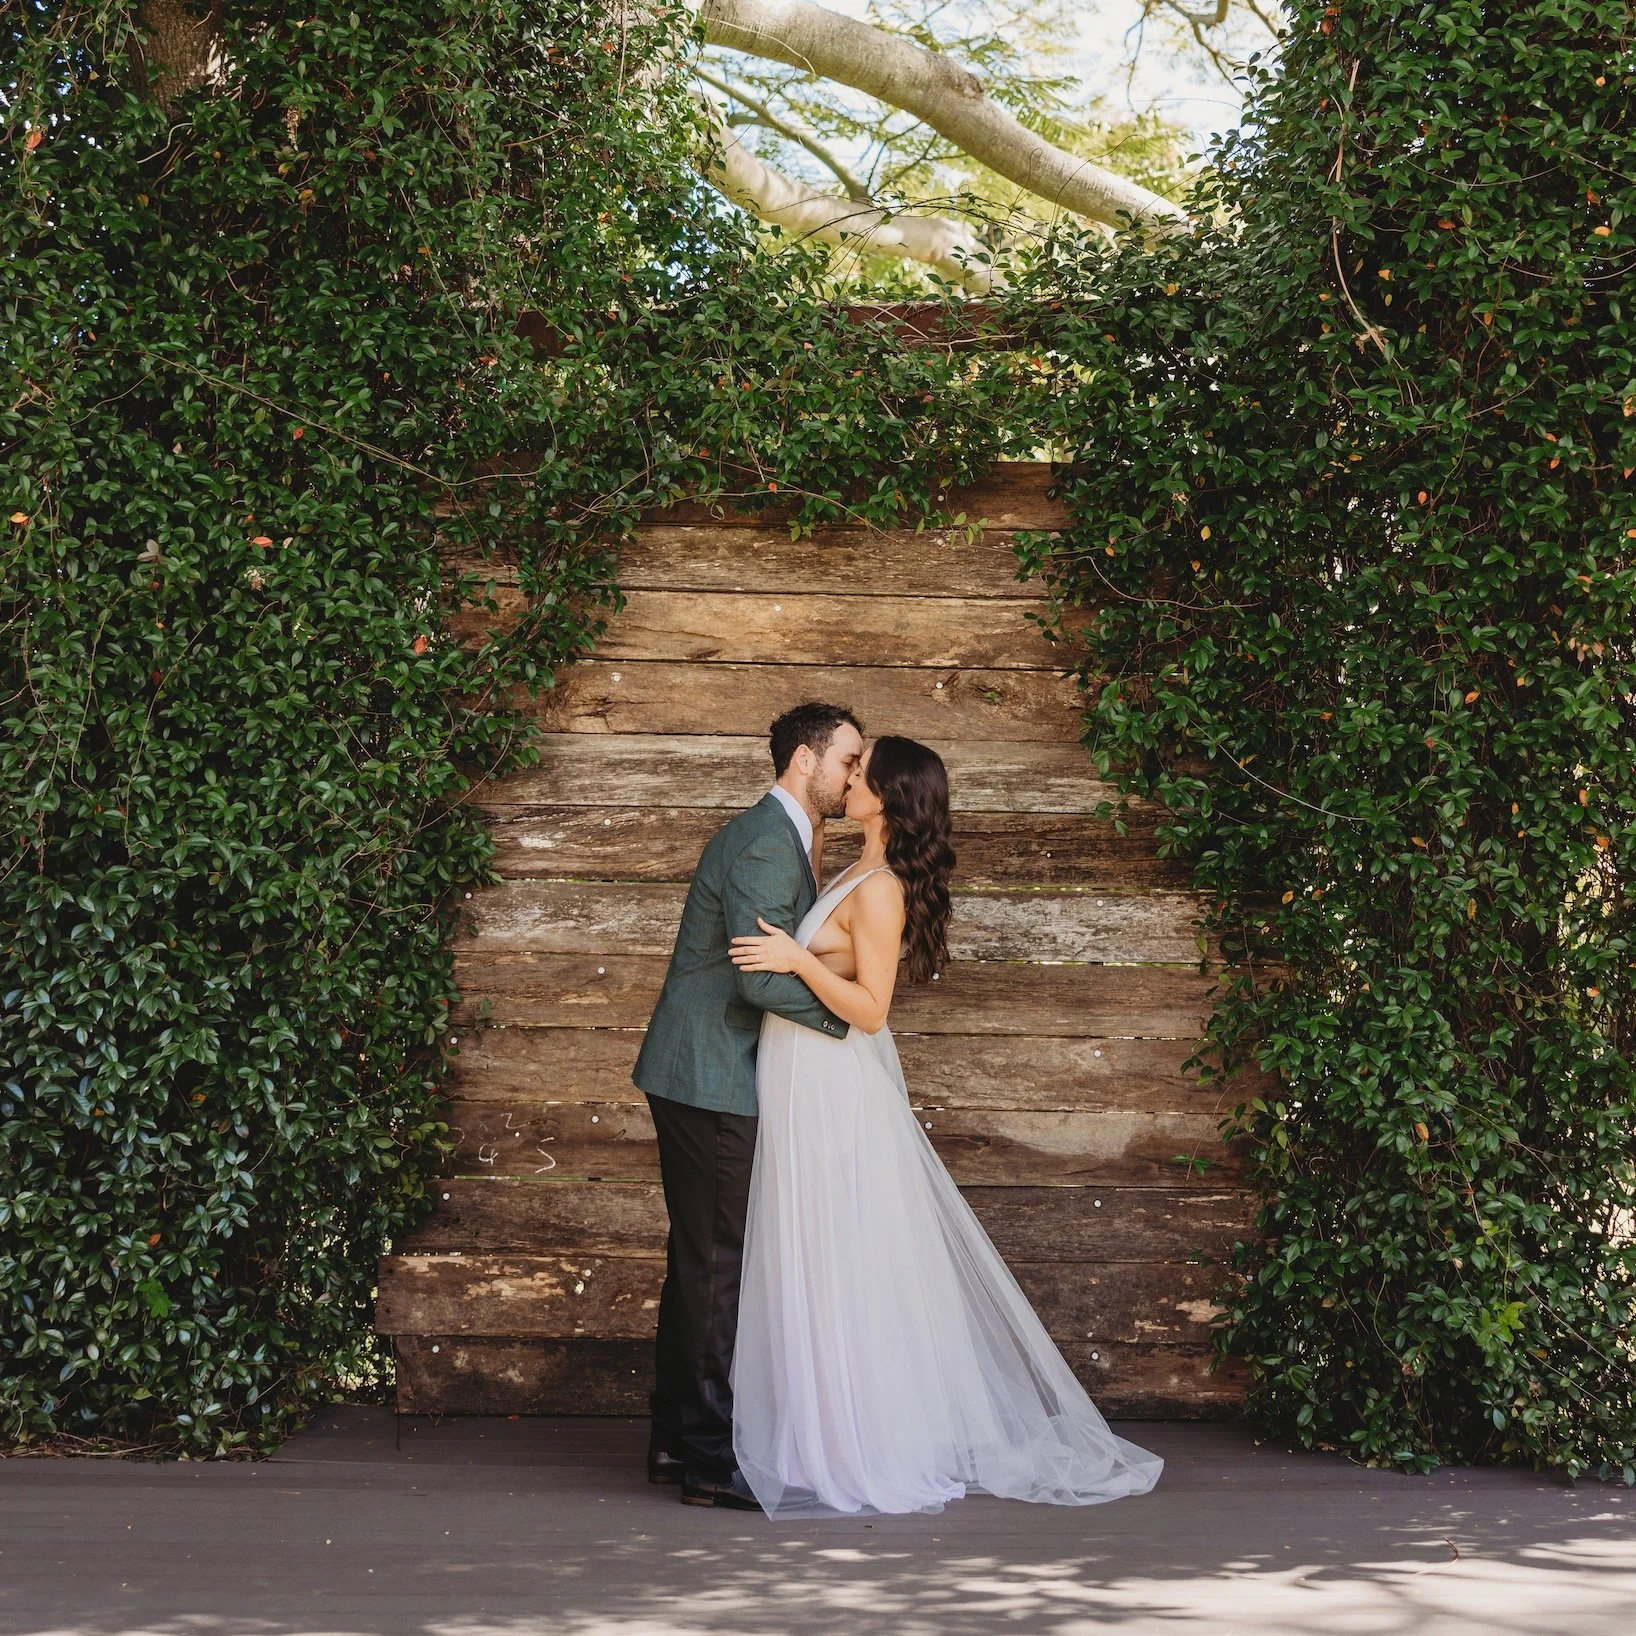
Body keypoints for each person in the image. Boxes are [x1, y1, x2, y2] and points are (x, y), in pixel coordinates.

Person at [727, 735, 1164, 1515]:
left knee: (836, 1249)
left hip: (832, 1082)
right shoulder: (854, 867)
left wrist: (799, 962)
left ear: (890, 797)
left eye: (862, 771)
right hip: (799, 1074)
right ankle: (817, 1433)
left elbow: (871, 1010)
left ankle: (854, 1444)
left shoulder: (883, 889)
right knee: (813, 1247)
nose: (848, 778)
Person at [632, 702, 864, 1509]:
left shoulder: (783, 836)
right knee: (716, 1262)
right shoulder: (768, 841)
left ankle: (674, 1438)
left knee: (698, 1257)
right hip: (712, 1075)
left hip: (702, 1071)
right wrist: (852, 1022)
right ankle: (705, 1458)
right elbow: (759, 982)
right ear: (805, 758)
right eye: (847, 760)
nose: (853, 776)